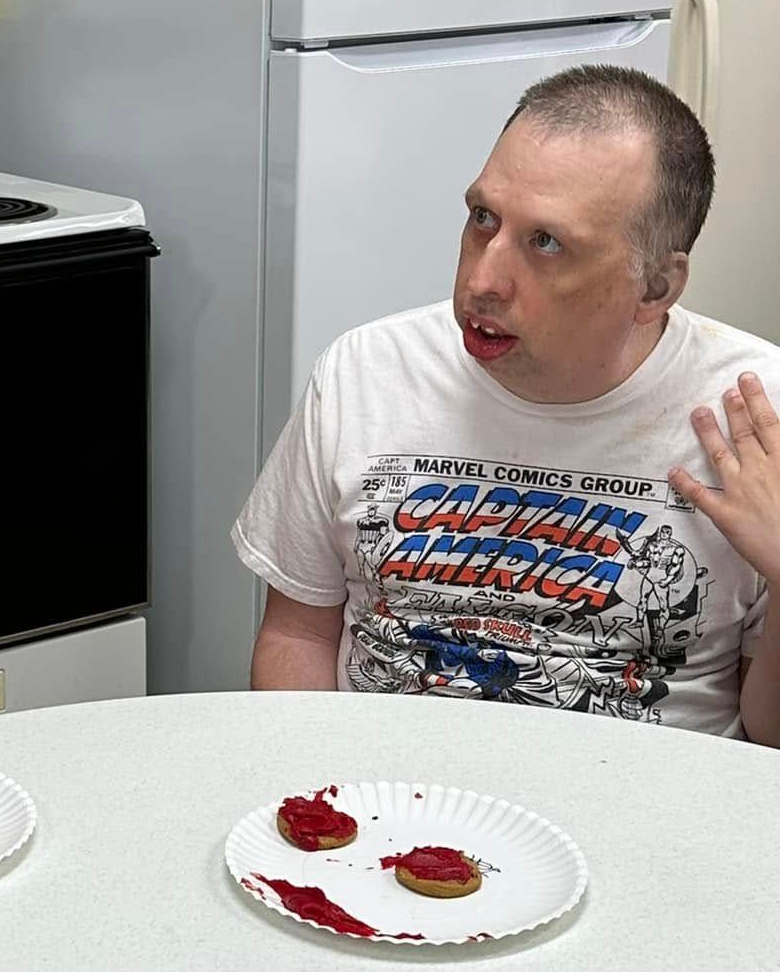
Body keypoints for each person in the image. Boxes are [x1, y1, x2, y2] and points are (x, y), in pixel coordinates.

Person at [232, 66, 780, 741]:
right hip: (389, 808)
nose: (482, 280)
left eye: (546, 243)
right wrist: (318, 796)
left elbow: (769, 746)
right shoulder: (364, 375)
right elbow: (297, 635)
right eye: (482, 218)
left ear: (656, 287)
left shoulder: (755, 419)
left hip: (645, 816)